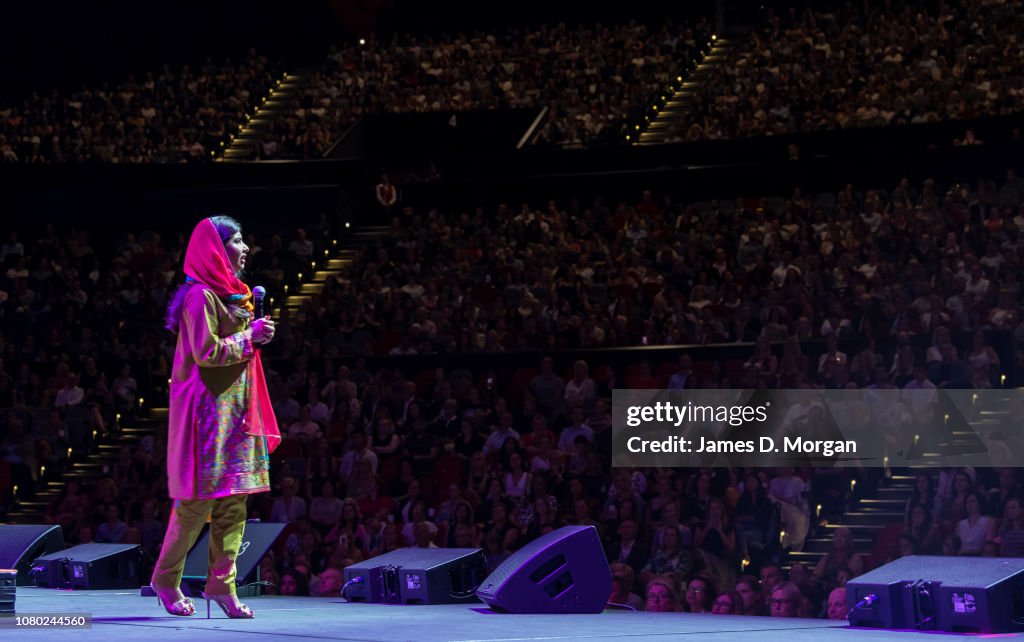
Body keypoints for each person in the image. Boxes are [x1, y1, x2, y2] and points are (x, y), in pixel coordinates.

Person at [150, 216, 279, 619]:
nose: (245, 249)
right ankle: (166, 580)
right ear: (214, 249)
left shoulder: (233, 296)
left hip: (236, 412)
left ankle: (222, 586)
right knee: (195, 505)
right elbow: (207, 353)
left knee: (234, 503)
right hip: (206, 417)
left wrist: (255, 334)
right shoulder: (199, 298)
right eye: (237, 241)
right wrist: (249, 337)